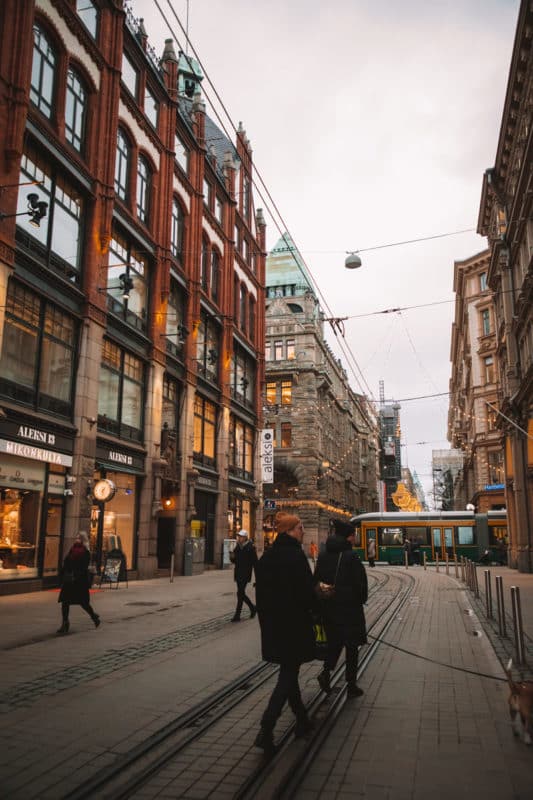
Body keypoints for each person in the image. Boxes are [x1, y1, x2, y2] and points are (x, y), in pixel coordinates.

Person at [254, 512, 316, 753]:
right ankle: (266, 726)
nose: (303, 531)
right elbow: (306, 593)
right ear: (289, 531)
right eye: (300, 528)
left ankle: (302, 719)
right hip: (294, 625)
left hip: (271, 626)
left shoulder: (267, 557)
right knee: (288, 674)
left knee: (289, 671)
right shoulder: (296, 557)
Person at [314, 519, 367, 698]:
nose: (354, 539)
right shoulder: (351, 556)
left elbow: (316, 580)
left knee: (334, 642)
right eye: (353, 535)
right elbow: (360, 584)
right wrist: (358, 599)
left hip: (329, 608)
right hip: (349, 610)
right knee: (351, 648)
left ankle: (326, 672)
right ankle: (351, 685)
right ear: (348, 537)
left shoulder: (322, 554)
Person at [57, 532, 100, 634]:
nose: (76, 540)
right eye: (76, 538)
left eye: (78, 538)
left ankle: (94, 617)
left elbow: (83, 566)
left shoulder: (86, 552)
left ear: (83, 540)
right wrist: (63, 573)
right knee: (65, 602)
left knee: (84, 603)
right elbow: (66, 561)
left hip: (79, 581)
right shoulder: (72, 549)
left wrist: (76, 574)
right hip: (69, 581)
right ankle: (65, 623)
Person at [230, 529, 258, 622]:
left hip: (245, 574)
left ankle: (237, 615)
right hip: (238, 573)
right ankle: (252, 608)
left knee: (240, 593)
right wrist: (232, 557)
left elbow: (255, 564)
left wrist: (258, 579)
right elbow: (234, 561)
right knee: (240, 593)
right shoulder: (237, 547)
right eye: (238, 536)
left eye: (241, 537)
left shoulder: (250, 548)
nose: (239, 538)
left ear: (245, 538)